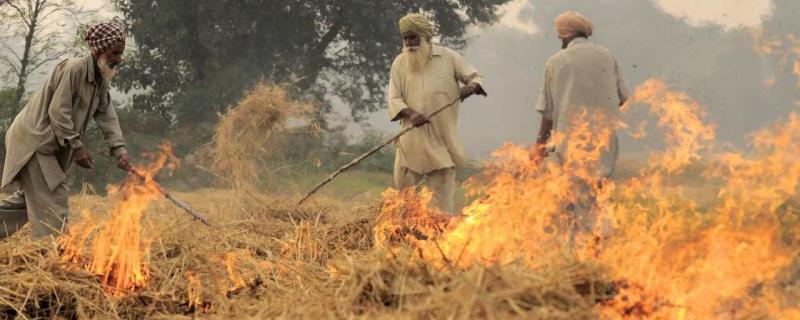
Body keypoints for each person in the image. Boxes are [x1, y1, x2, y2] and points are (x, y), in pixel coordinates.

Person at [0, 21, 132, 240]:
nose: (119, 59)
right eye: (115, 53)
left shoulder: (101, 79)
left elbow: (107, 115)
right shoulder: (74, 69)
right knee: (54, 196)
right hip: (35, 141)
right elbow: (58, 111)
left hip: (45, 144)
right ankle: (50, 254)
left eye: (121, 53)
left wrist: (119, 150)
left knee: (29, 201)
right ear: (99, 50)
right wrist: (76, 145)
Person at [532, 11, 631, 245]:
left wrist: (540, 145)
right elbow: (623, 98)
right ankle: (599, 245)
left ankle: (580, 253)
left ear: (564, 35)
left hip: (571, 139)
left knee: (573, 196)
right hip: (605, 139)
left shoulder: (556, 61)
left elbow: (547, 111)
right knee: (597, 190)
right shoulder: (607, 56)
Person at [387, 13, 486, 215]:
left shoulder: (449, 57)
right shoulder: (399, 63)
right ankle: (403, 240)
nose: (409, 43)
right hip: (410, 143)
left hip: (441, 141)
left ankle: (440, 240)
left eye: (413, 37)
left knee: (440, 208)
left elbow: (475, 76)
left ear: (425, 36)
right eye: (405, 38)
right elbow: (394, 98)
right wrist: (411, 113)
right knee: (404, 205)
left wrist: (472, 86)